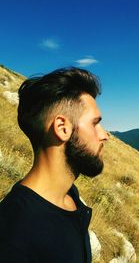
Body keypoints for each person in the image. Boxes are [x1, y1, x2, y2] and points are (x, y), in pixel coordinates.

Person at [0, 67, 109, 263]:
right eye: (94, 123)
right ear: (62, 128)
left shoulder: (70, 195)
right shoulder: (13, 236)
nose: (104, 135)